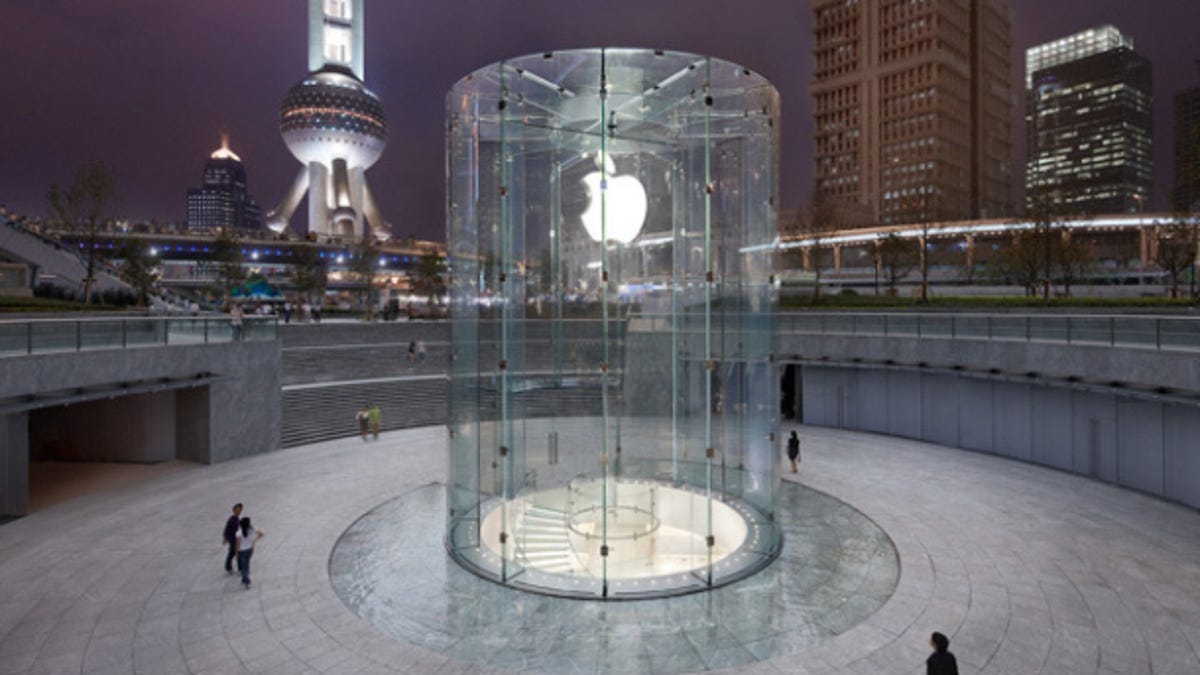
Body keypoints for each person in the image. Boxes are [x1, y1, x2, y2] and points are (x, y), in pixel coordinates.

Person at [235, 517, 264, 589]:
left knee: (243, 567)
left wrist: (236, 553)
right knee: (247, 564)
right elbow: (261, 534)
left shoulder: (239, 533)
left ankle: (246, 580)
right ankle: (244, 578)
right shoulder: (252, 529)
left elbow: (237, 544)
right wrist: (254, 541)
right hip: (250, 550)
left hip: (242, 551)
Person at [222, 503, 243, 574]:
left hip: (235, 539)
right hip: (232, 539)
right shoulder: (231, 520)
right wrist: (225, 538)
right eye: (237, 510)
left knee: (232, 553)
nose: (238, 512)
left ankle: (228, 567)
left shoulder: (237, 519)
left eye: (240, 510)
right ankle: (239, 568)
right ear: (233, 510)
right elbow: (226, 529)